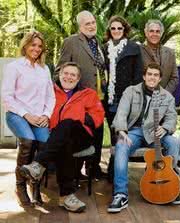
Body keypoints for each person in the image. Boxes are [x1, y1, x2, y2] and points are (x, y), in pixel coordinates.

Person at [19, 62, 105, 212]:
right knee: (65, 143)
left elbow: (98, 117)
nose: (68, 77)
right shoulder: (49, 92)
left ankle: (38, 164)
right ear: (59, 74)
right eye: (66, 73)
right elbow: (36, 108)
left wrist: (77, 118)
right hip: (58, 138)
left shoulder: (88, 93)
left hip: (82, 136)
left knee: (67, 123)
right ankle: (66, 197)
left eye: (73, 75)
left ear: (78, 79)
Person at [107, 62, 180, 213]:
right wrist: (121, 131)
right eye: (149, 74)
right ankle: (120, 194)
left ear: (160, 78)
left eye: (155, 75)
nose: (152, 77)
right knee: (121, 145)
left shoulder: (167, 96)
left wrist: (166, 128)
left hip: (156, 132)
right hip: (134, 131)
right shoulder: (131, 91)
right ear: (144, 76)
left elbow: (171, 117)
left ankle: (172, 185)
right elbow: (121, 112)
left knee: (173, 142)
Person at [1, 31, 55, 207]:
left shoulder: (44, 69)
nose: (36, 49)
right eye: (33, 45)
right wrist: (26, 115)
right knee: (28, 141)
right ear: (25, 46)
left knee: (45, 143)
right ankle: (20, 186)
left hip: (39, 117)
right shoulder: (14, 67)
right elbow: (7, 97)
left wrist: (46, 115)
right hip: (17, 114)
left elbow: (50, 97)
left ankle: (35, 185)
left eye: (39, 46)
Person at [55, 10, 106, 179]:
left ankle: (93, 168)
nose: (92, 26)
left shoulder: (99, 42)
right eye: (87, 24)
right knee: (81, 134)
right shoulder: (71, 42)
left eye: (93, 22)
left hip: (100, 98)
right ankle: (74, 171)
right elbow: (59, 71)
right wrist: (71, 92)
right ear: (80, 26)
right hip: (79, 99)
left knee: (98, 134)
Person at [103, 15, 143, 182]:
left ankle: (117, 172)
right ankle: (113, 170)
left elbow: (138, 75)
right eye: (113, 28)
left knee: (123, 133)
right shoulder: (104, 48)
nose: (116, 31)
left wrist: (133, 97)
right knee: (114, 134)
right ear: (109, 31)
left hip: (127, 98)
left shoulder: (134, 48)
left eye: (120, 28)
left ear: (124, 30)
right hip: (110, 98)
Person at [141, 19, 178, 94]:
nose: (154, 34)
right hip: (142, 99)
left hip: (164, 99)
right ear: (146, 33)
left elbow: (174, 78)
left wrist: (163, 94)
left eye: (157, 31)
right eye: (151, 31)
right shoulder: (137, 51)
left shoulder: (170, 53)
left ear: (161, 34)